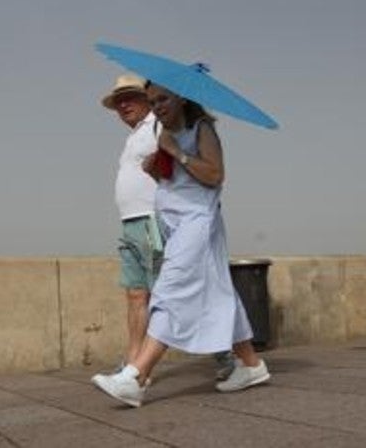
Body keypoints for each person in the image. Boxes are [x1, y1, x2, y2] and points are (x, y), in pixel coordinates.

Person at [92, 82, 269, 407]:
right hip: (175, 223)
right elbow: (179, 183)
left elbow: (214, 175)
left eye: (163, 99)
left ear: (182, 98)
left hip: (197, 223)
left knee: (169, 290)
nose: (157, 106)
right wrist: (155, 170)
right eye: (153, 101)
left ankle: (136, 377)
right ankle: (252, 365)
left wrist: (176, 152)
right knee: (219, 295)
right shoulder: (165, 133)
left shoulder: (202, 129)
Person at [95, 74, 162, 378]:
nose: (123, 105)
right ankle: (133, 363)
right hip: (130, 224)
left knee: (168, 295)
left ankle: (228, 355)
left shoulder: (159, 126)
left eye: (130, 98)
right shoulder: (134, 136)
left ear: (147, 99)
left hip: (152, 221)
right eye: (119, 101)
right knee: (136, 294)